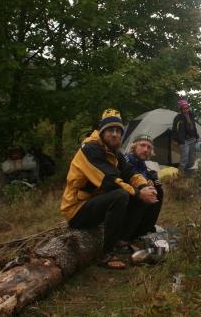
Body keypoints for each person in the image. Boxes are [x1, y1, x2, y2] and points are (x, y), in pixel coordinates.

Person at [60, 109, 158, 269]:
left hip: (94, 203)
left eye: (118, 131)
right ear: (102, 132)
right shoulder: (90, 149)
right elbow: (109, 180)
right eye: (110, 130)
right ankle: (106, 254)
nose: (115, 134)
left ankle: (124, 239)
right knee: (121, 195)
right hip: (77, 209)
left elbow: (130, 173)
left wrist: (144, 186)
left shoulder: (113, 152)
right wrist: (139, 193)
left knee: (144, 192)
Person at [123, 134, 163, 240]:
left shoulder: (141, 163)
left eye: (149, 147)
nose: (145, 149)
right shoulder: (127, 159)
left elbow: (142, 176)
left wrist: (150, 181)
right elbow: (130, 177)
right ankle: (125, 237)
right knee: (145, 193)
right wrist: (144, 185)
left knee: (158, 189)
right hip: (123, 197)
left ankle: (145, 228)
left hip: (133, 195)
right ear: (134, 146)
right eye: (142, 145)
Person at [171, 99, 199, 176]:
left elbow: (194, 127)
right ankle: (179, 175)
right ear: (181, 109)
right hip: (184, 141)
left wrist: (196, 136)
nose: (186, 110)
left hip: (192, 139)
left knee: (191, 161)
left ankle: (186, 173)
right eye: (184, 108)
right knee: (184, 159)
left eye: (187, 108)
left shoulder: (191, 115)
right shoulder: (178, 118)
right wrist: (176, 140)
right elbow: (174, 130)